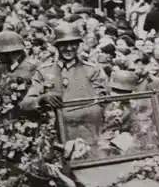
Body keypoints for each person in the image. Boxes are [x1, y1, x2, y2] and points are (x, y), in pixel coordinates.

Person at [20, 22, 108, 157]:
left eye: (73, 43)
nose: (68, 48)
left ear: (79, 45)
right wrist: (42, 99)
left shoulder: (92, 70)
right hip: (56, 142)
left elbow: (104, 103)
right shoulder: (44, 71)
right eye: (63, 44)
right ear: (56, 46)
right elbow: (26, 104)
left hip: (87, 141)